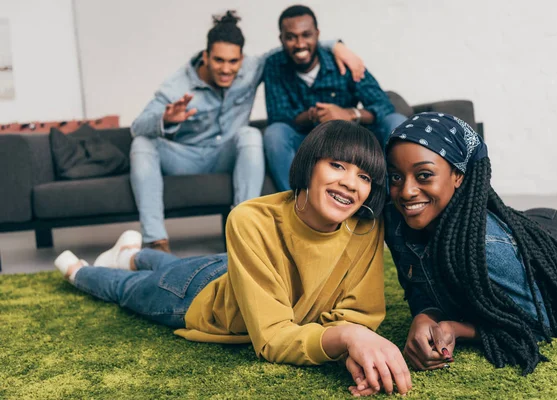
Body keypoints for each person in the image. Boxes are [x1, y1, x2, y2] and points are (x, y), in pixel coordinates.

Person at [54, 120, 413, 396]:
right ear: (309, 164)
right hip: (200, 295)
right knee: (129, 289)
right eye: (337, 165)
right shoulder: (250, 218)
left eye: (364, 176)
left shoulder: (364, 226)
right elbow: (272, 337)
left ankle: (133, 253)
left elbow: (357, 314)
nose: (351, 183)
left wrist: (350, 339)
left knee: (168, 265)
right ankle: (77, 270)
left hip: (240, 274)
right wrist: (346, 337)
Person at [384, 112, 557, 377]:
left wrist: (458, 329)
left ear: (458, 176)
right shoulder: (397, 221)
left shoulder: (486, 247)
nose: (406, 191)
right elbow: (418, 285)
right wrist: (425, 315)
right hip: (536, 224)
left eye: (424, 175)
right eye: (395, 177)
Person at [129, 10, 365, 253]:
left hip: (225, 155)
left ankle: (242, 230)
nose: (226, 69)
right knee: (142, 144)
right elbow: (137, 126)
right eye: (219, 60)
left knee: (251, 134)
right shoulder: (177, 86)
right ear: (206, 57)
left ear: (242, 59)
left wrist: (337, 46)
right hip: (185, 158)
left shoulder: (252, 68)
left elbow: (294, 46)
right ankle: (156, 242)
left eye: (233, 61)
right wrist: (166, 118)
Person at [263, 5, 407, 192]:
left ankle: (394, 199)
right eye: (291, 37)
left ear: (317, 34)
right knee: (274, 134)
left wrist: (349, 114)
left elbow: (382, 104)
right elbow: (278, 116)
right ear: (281, 39)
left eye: (306, 35)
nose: (299, 44)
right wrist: (313, 115)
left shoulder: (342, 60)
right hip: (307, 143)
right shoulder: (274, 65)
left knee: (395, 121)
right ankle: (296, 204)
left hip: (352, 140)